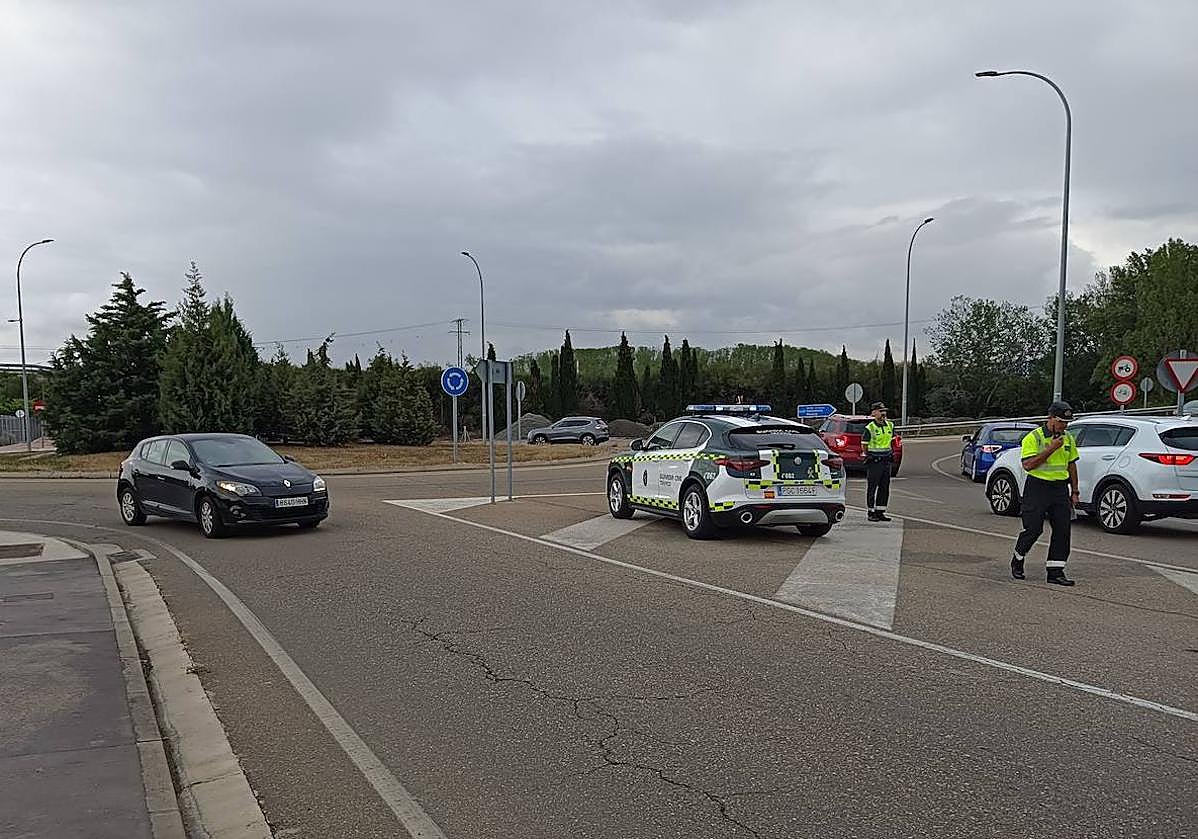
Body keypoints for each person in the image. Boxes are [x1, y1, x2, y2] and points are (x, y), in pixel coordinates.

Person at [1010, 401, 1079, 586]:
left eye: (1067, 422)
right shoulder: (1034, 438)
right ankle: (1018, 557)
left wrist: (1075, 491)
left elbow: (1072, 464)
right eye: (1061, 421)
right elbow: (1028, 465)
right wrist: (1051, 448)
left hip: (1059, 489)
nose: (1064, 425)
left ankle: (1055, 571)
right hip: (1037, 487)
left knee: (1062, 530)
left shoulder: (1069, 438)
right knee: (1033, 529)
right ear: (1050, 419)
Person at [860, 402, 895, 522]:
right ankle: (871, 512)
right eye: (880, 411)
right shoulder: (870, 428)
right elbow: (864, 444)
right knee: (872, 487)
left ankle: (880, 511)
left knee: (884, 487)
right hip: (874, 461)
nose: (883, 413)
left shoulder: (890, 425)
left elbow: (892, 441)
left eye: (884, 411)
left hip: (886, 460)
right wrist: (868, 455)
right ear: (874, 413)